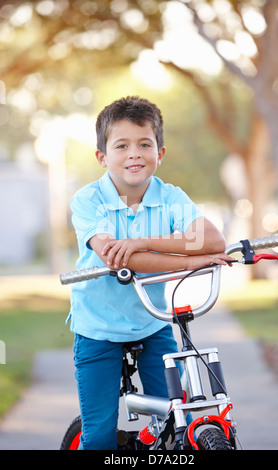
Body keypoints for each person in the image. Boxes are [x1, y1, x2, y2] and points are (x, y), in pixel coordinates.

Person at [68, 96, 233, 449]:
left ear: (160, 152)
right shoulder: (87, 200)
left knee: (176, 419)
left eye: (145, 144)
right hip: (98, 325)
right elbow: (116, 258)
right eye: (122, 145)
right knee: (98, 436)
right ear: (102, 156)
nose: (134, 154)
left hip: (151, 321)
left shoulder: (171, 197)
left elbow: (213, 239)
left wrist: (142, 242)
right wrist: (187, 262)